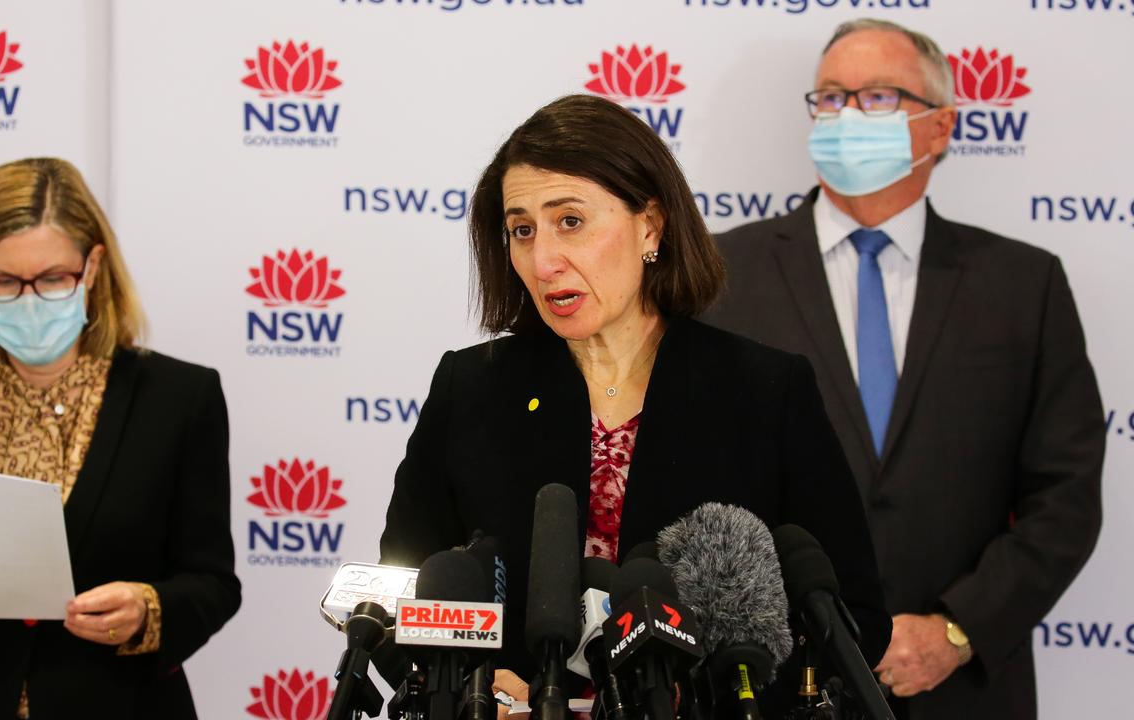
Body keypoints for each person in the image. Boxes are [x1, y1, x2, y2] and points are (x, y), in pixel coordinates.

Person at [379, 94, 891, 717]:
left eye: (570, 221)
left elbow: (849, 620)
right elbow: (403, 596)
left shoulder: (765, 389)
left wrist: (713, 695)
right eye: (522, 229)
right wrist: (475, 684)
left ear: (650, 225)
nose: (543, 260)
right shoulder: (471, 386)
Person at [702, 19, 1104, 720]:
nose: (848, 115)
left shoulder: (1022, 286)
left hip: (964, 692)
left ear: (940, 127)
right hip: (770, 688)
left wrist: (958, 629)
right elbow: (686, 486)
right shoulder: (721, 279)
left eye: (879, 98)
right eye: (829, 98)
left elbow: (1065, 495)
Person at [0, 158, 241, 719]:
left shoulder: (181, 397)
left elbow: (211, 582)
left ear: (93, 268)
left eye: (55, 277)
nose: (30, 299)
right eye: (4, 281)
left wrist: (147, 609)